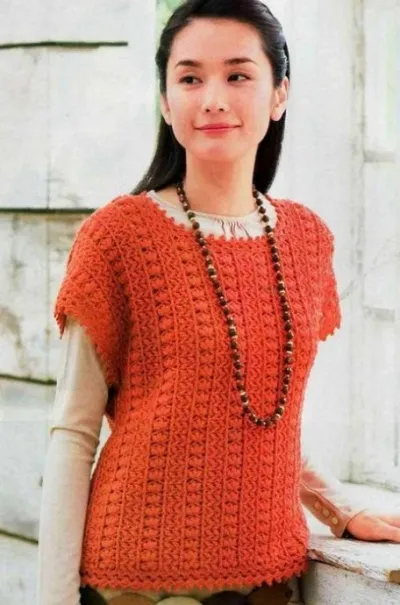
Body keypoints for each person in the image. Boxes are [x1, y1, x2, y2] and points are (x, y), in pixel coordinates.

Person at [37, 1, 400, 604]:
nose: (212, 99)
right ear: (165, 100)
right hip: (134, 580)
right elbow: (73, 432)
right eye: (189, 78)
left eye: (237, 75)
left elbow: (263, 415)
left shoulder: (307, 239)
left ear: (279, 94)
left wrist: (339, 506)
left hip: (269, 581)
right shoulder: (119, 237)